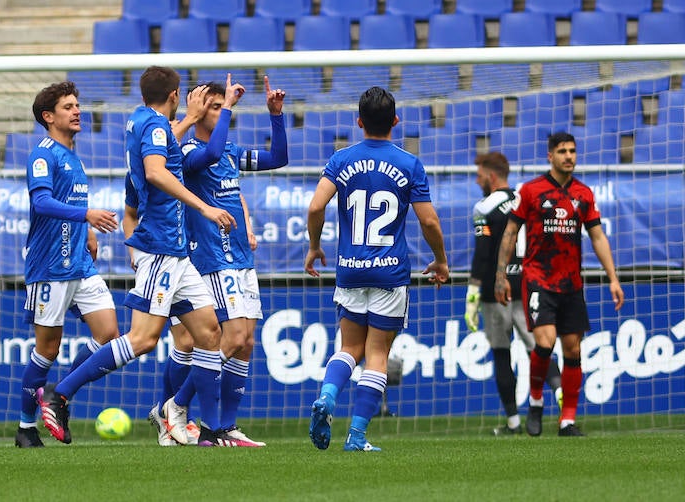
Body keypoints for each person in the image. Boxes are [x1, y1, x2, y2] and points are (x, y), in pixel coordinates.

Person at [40, 66, 238, 446]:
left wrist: (190, 120)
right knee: (143, 339)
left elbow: (159, 149)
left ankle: (211, 432)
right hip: (161, 248)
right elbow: (155, 172)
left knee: (210, 333)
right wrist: (205, 208)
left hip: (176, 253)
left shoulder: (140, 120)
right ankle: (59, 394)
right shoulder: (157, 127)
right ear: (176, 95)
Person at [304, 86, 449, 452]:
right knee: (377, 355)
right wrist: (441, 259)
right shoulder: (408, 163)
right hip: (390, 273)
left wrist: (315, 246)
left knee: (349, 347)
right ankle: (356, 436)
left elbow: (315, 207)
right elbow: (429, 222)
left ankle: (327, 395)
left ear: (359, 122)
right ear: (396, 121)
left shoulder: (340, 159)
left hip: (350, 269)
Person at [168, 74, 289, 447]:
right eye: (215, 107)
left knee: (247, 341)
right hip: (211, 256)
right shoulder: (187, 153)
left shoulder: (233, 151)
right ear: (200, 110)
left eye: (223, 106)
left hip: (240, 255)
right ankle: (179, 406)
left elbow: (279, 159)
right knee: (231, 335)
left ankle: (226, 427)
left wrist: (276, 116)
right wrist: (230, 111)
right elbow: (212, 153)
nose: (222, 112)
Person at [494, 131, 623, 438]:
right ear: (550, 156)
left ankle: (567, 420)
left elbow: (597, 236)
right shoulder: (532, 190)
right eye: (563, 151)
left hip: (571, 283)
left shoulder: (583, 194)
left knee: (573, 348)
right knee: (544, 342)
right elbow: (511, 232)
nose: (569, 156)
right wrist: (501, 275)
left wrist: (613, 278)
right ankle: (536, 401)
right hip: (538, 278)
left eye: (573, 151)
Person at [14, 82, 120, 449]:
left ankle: (58, 397)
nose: (78, 111)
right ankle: (26, 428)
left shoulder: (74, 156)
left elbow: (72, 201)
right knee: (47, 350)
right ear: (49, 116)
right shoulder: (42, 155)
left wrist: (86, 230)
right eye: (68, 107)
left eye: (78, 105)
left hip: (80, 263)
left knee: (108, 334)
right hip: (50, 267)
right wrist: (87, 214)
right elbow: (42, 202)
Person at [466, 151, 561, 436]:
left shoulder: (484, 207)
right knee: (539, 348)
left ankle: (513, 423)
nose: (477, 180)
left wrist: (472, 293)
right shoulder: (526, 200)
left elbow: (483, 254)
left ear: (491, 176)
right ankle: (560, 394)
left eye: (480, 175)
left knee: (500, 354)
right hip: (528, 286)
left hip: (497, 291)